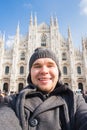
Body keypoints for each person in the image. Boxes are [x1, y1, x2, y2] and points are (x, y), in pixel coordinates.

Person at [1, 47, 87, 130]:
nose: (44, 71)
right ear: (30, 73)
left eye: (50, 65)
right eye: (37, 66)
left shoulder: (75, 101)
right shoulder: (11, 102)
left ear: (58, 71)